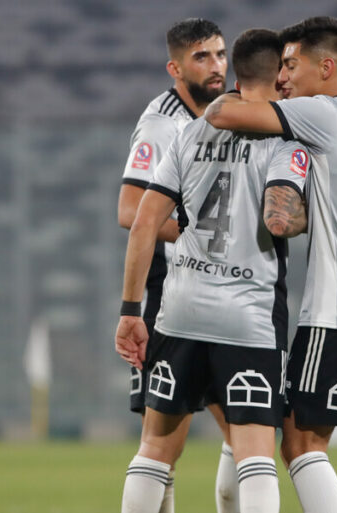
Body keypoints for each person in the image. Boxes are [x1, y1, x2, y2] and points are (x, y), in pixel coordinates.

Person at [204, 16, 337, 513]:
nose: (283, 78)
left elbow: (221, 116)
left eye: (291, 65)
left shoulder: (318, 112)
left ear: (326, 67)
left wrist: (241, 92)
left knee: (299, 442)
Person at [115, 28, 309, 513]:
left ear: (237, 71)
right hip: (247, 315)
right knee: (255, 455)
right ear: (279, 76)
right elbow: (279, 220)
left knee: (155, 451)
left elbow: (142, 223)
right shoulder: (287, 139)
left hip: (179, 311)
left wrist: (130, 311)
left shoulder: (190, 131)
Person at [117, 18, 238, 513]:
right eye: (201, 58)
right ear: (175, 68)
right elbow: (130, 211)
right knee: (165, 439)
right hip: (173, 290)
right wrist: (204, 236)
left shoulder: (229, 113)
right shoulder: (161, 123)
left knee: (245, 431)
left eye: (220, 55)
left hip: (224, 290)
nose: (216, 67)